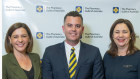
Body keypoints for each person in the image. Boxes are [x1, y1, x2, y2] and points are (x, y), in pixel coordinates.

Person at [42, 11, 104, 79]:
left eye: (77, 26)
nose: (73, 29)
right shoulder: (50, 52)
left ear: (82, 29)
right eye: (69, 25)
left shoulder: (94, 52)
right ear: (63, 28)